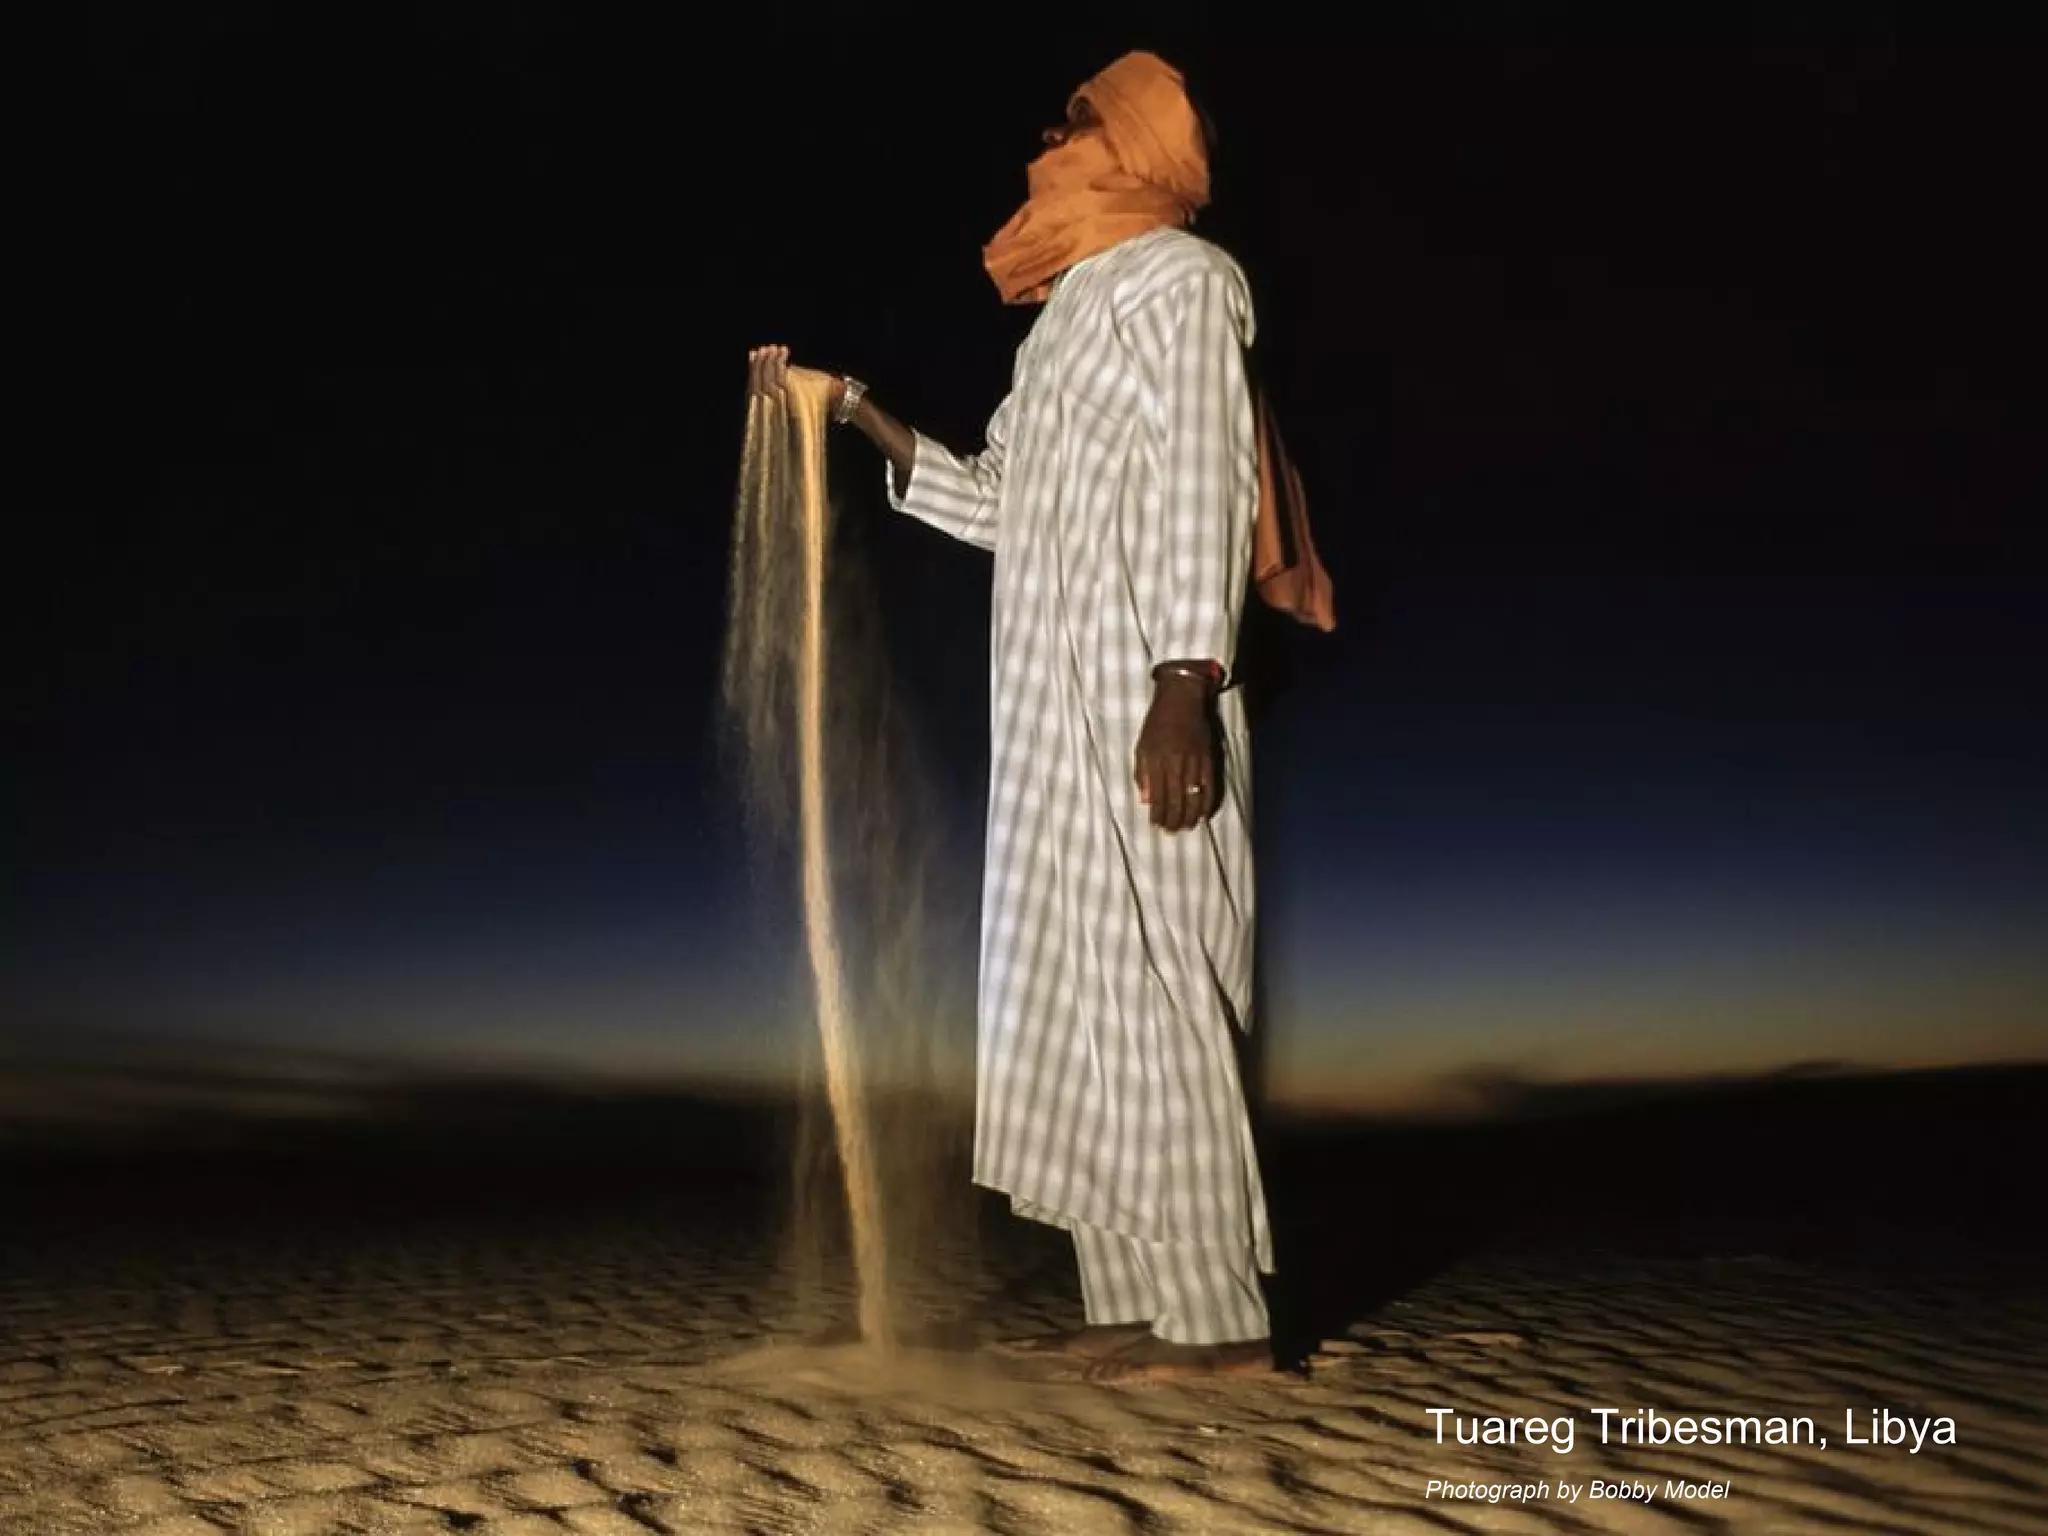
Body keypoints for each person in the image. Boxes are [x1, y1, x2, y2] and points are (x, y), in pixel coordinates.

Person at [748, 49, 1326, 1385]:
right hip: (1054, 702)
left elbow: (1202, 469)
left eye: (1074, 121)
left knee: (1164, 981)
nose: (1046, 137)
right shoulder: (1068, 315)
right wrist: (857, 414)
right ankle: (1134, 1303)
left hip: (1142, 681)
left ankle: (1220, 1321)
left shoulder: (1184, 282)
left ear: (1135, 146)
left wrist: (1186, 680)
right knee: (1080, 989)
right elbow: (1002, 498)